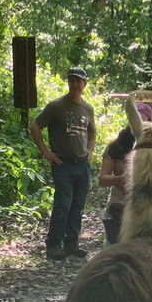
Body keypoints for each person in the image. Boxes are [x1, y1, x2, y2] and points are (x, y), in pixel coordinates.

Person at [29, 66, 97, 261]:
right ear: (68, 82)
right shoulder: (56, 106)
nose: (75, 84)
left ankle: (71, 243)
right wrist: (45, 151)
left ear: (84, 84)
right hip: (62, 163)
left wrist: (91, 150)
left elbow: (92, 131)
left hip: (82, 163)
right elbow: (35, 126)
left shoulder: (88, 109)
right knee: (63, 204)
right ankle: (53, 244)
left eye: (79, 81)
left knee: (78, 204)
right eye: (72, 80)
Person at [98, 101, 152, 244]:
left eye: (141, 121)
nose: (136, 125)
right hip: (119, 206)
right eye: (134, 120)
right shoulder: (115, 146)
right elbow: (102, 180)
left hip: (145, 208)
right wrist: (121, 178)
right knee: (116, 250)